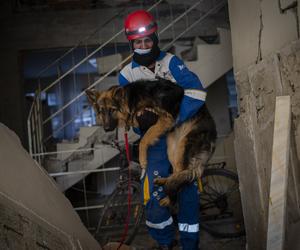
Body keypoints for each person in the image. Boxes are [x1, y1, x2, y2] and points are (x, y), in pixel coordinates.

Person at [118, 10, 207, 250]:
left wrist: (176, 118)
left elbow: (197, 93)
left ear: (155, 38)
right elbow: (130, 115)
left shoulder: (171, 63)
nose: (144, 46)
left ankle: (190, 244)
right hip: (155, 143)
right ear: (131, 43)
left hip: (181, 138)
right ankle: (166, 242)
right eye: (138, 42)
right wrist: (140, 122)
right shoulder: (126, 75)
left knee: (187, 191)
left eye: (148, 40)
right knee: (154, 197)